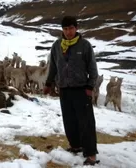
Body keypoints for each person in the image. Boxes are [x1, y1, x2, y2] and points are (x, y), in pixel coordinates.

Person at [44, 16, 99, 165]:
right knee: (69, 120)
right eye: (66, 28)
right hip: (64, 89)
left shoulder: (85, 45)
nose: (68, 31)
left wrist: (90, 86)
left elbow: (93, 69)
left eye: (71, 28)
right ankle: (75, 145)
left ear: (76, 28)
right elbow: (53, 67)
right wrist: (49, 83)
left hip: (81, 89)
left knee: (86, 122)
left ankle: (91, 153)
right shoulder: (56, 46)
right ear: (62, 29)